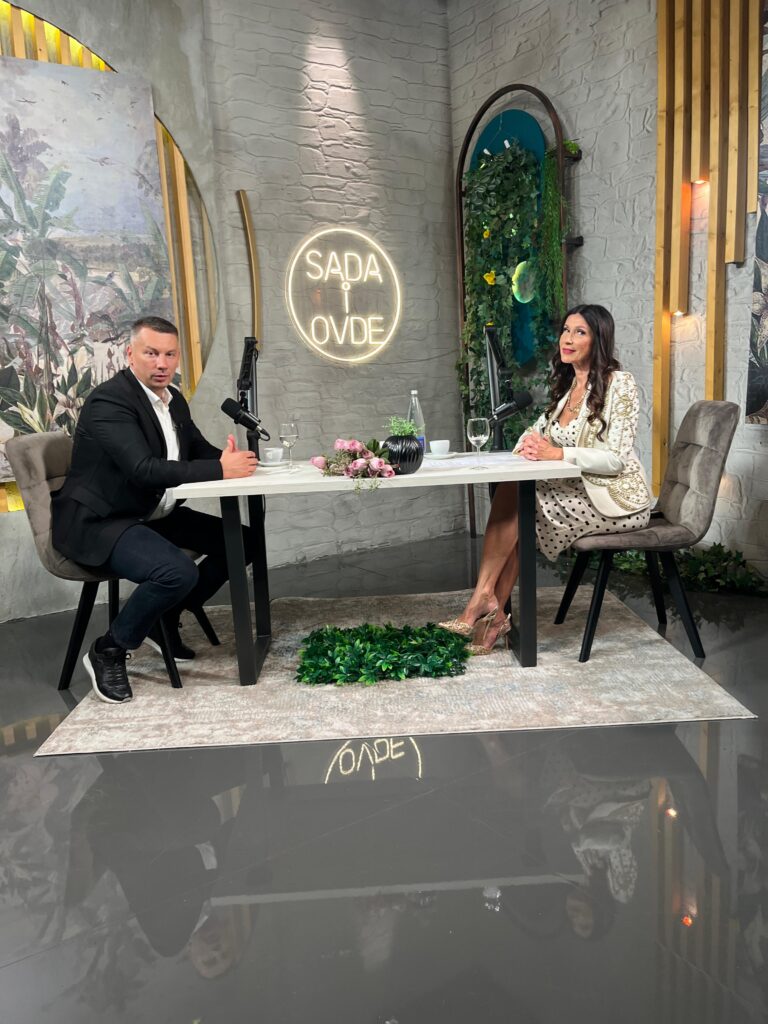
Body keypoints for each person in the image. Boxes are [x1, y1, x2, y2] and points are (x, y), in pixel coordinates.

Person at [52, 316, 258, 704]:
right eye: (151, 353)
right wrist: (220, 470)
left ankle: (164, 615)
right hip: (101, 520)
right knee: (175, 571)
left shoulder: (173, 399)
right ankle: (109, 649)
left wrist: (232, 461)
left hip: (148, 512)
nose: (162, 363)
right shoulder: (109, 401)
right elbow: (143, 469)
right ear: (130, 354)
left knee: (244, 543)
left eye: (170, 354)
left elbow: (195, 449)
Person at [440, 304, 651, 653]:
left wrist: (557, 453)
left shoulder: (620, 384)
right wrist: (529, 443)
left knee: (522, 504)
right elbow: (536, 433)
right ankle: (489, 609)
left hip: (614, 498)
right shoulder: (569, 389)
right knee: (518, 497)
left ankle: (483, 605)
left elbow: (615, 460)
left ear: (599, 339)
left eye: (579, 332)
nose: (567, 339)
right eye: (566, 330)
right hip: (578, 492)